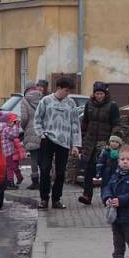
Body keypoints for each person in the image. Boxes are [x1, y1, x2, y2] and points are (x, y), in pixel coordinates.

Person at [33, 77, 82, 210]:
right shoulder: (46, 101)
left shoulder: (71, 104)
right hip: (48, 139)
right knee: (45, 169)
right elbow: (37, 118)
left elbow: (75, 124)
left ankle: (56, 199)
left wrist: (75, 145)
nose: (67, 93)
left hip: (64, 141)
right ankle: (44, 199)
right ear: (59, 88)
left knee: (60, 172)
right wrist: (41, 133)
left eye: (69, 91)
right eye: (66, 90)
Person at [78, 82, 121, 205]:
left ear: (105, 94)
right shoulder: (89, 104)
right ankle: (87, 195)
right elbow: (85, 122)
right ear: (94, 94)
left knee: (106, 171)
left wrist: (112, 141)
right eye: (97, 93)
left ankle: (106, 197)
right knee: (88, 170)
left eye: (101, 93)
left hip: (105, 143)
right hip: (90, 142)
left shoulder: (112, 106)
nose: (99, 96)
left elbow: (116, 124)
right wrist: (82, 137)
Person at [19, 85, 43, 190]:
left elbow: (24, 118)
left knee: (33, 158)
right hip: (43, 131)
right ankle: (45, 180)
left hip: (31, 129)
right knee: (44, 157)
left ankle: (35, 182)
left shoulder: (25, 100)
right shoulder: (43, 99)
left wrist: (25, 128)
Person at [0, 112, 24, 189]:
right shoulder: (6, 128)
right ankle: (10, 182)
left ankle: (10, 181)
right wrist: (16, 126)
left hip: (2, 151)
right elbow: (15, 135)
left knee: (8, 166)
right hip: (8, 151)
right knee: (10, 167)